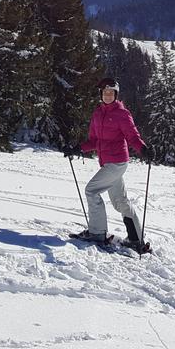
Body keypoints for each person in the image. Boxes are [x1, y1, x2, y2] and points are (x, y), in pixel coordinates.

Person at [64, 77, 152, 247]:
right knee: (120, 202)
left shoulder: (122, 114)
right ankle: (135, 238)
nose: (108, 96)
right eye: (105, 93)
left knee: (91, 191)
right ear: (101, 94)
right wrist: (77, 148)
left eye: (111, 93)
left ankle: (97, 233)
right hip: (108, 163)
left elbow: (132, 136)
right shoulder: (97, 114)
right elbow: (93, 140)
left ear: (116, 95)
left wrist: (143, 149)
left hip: (117, 162)